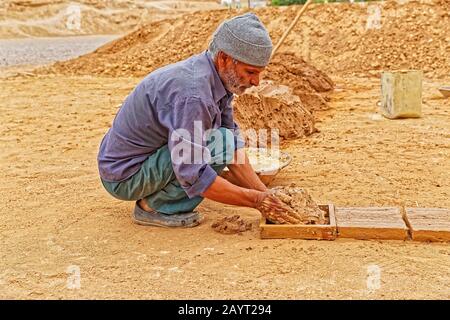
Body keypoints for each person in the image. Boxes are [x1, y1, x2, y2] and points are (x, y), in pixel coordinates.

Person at [97, 13, 291, 227]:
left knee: (223, 140)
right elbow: (193, 173)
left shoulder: (219, 79)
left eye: (259, 73)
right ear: (224, 59)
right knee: (216, 145)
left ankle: (159, 199)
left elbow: (231, 144)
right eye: (250, 71)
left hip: (142, 159)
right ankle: (153, 207)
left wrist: (266, 194)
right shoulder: (194, 95)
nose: (256, 81)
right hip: (124, 175)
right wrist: (257, 202)